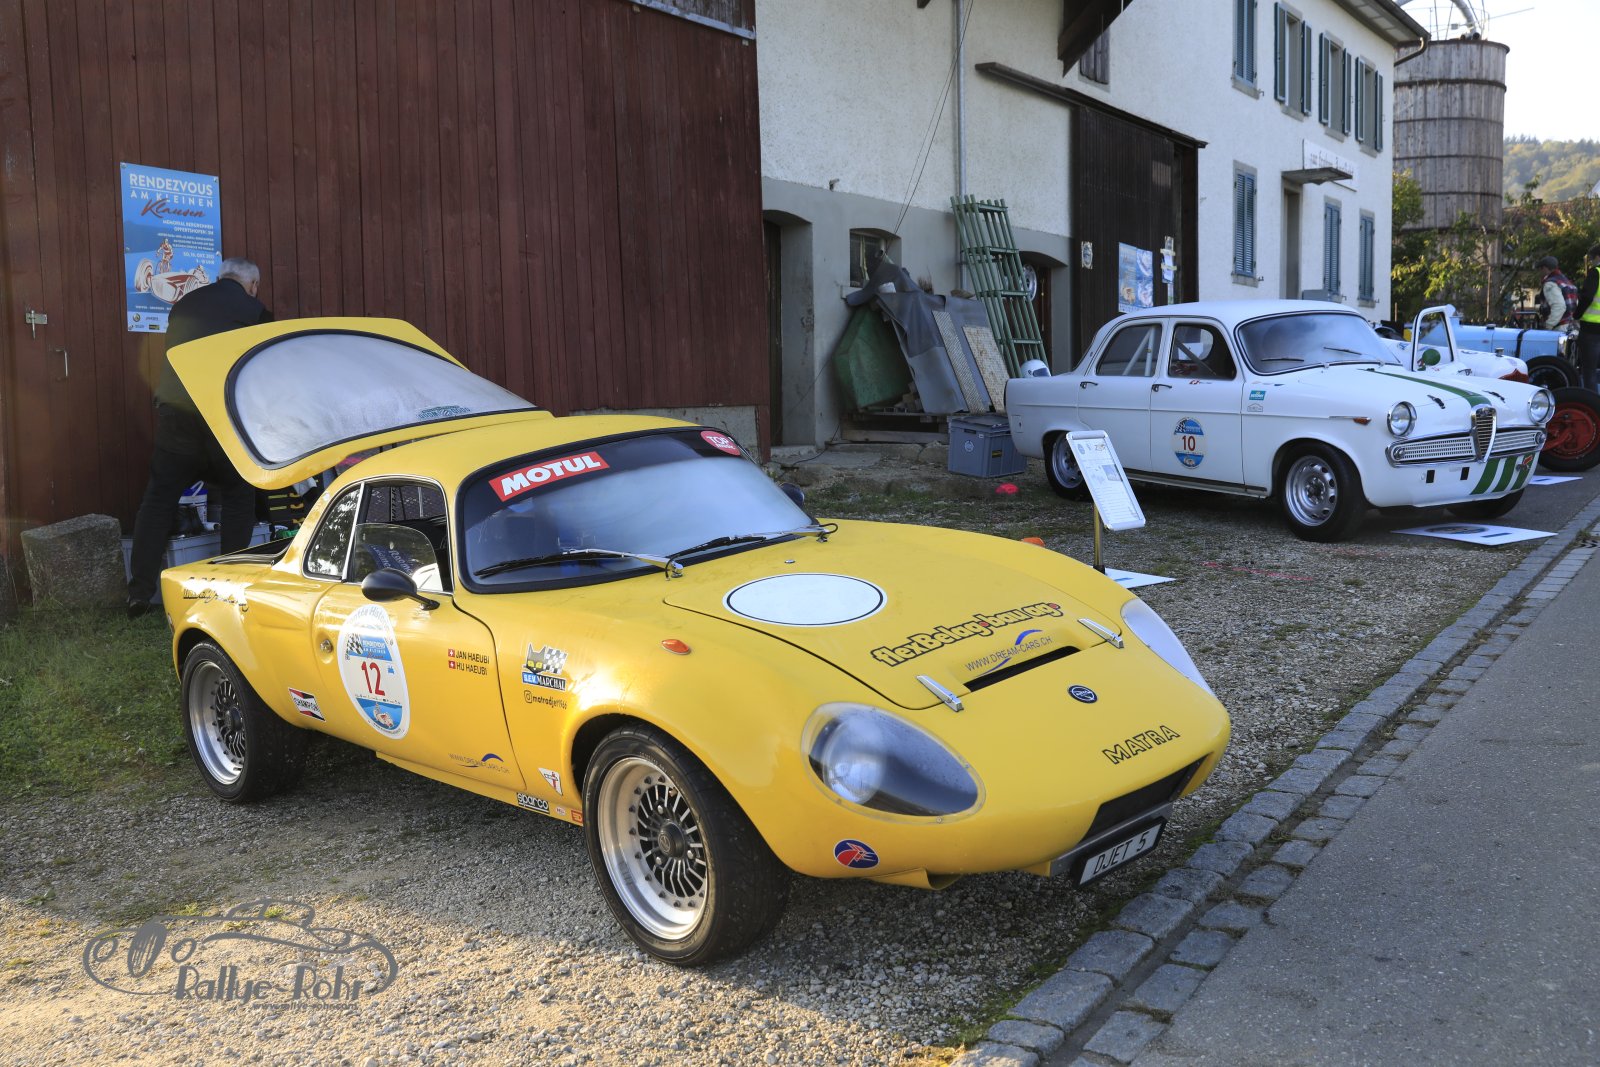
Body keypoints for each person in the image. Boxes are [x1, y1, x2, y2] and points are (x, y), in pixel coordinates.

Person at [126, 258, 273, 617]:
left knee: (159, 499)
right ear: (252, 285)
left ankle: (140, 593)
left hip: (177, 414)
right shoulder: (254, 311)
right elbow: (263, 369)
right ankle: (228, 590)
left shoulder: (184, 304)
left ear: (220, 277)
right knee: (239, 496)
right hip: (224, 418)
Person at [1578, 246, 1600, 393]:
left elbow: (1587, 297)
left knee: (1589, 370)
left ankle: (1591, 403)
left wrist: (1576, 315)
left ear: (1598, 256)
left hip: (1591, 328)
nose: (1591, 262)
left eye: (1591, 258)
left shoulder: (1595, 272)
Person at [1537, 255, 1579, 330]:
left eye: (1540, 269)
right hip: (1571, 326)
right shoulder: (1567, 282)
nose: (1539, 272)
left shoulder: (1550, 283)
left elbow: (1559, 306)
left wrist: (1549, 325)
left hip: (1559, 327)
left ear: (1545, 268)